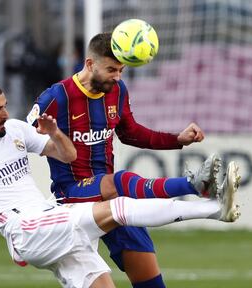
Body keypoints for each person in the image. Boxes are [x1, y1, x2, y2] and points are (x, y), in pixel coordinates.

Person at [0, 81, 240, 288]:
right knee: (118, 206)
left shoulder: (16, 130)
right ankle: (210, 206)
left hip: (50, 220)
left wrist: (56, 133)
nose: (6, 113)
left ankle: (209, 203)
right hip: (24, 231)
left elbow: (70, 158)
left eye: (6, 105)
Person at [26, 32, 219, 287]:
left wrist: (177, 139)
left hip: (113, 198)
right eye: (111, 70)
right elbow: (23, 139)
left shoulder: (117, 91)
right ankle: (195, 185)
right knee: (121, 180)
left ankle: (200, 189)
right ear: (90, 64)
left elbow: (130, 133)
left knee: (150, 281)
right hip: (72, 193)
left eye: (121, 70)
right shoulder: (56, 96)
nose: (117, 76)